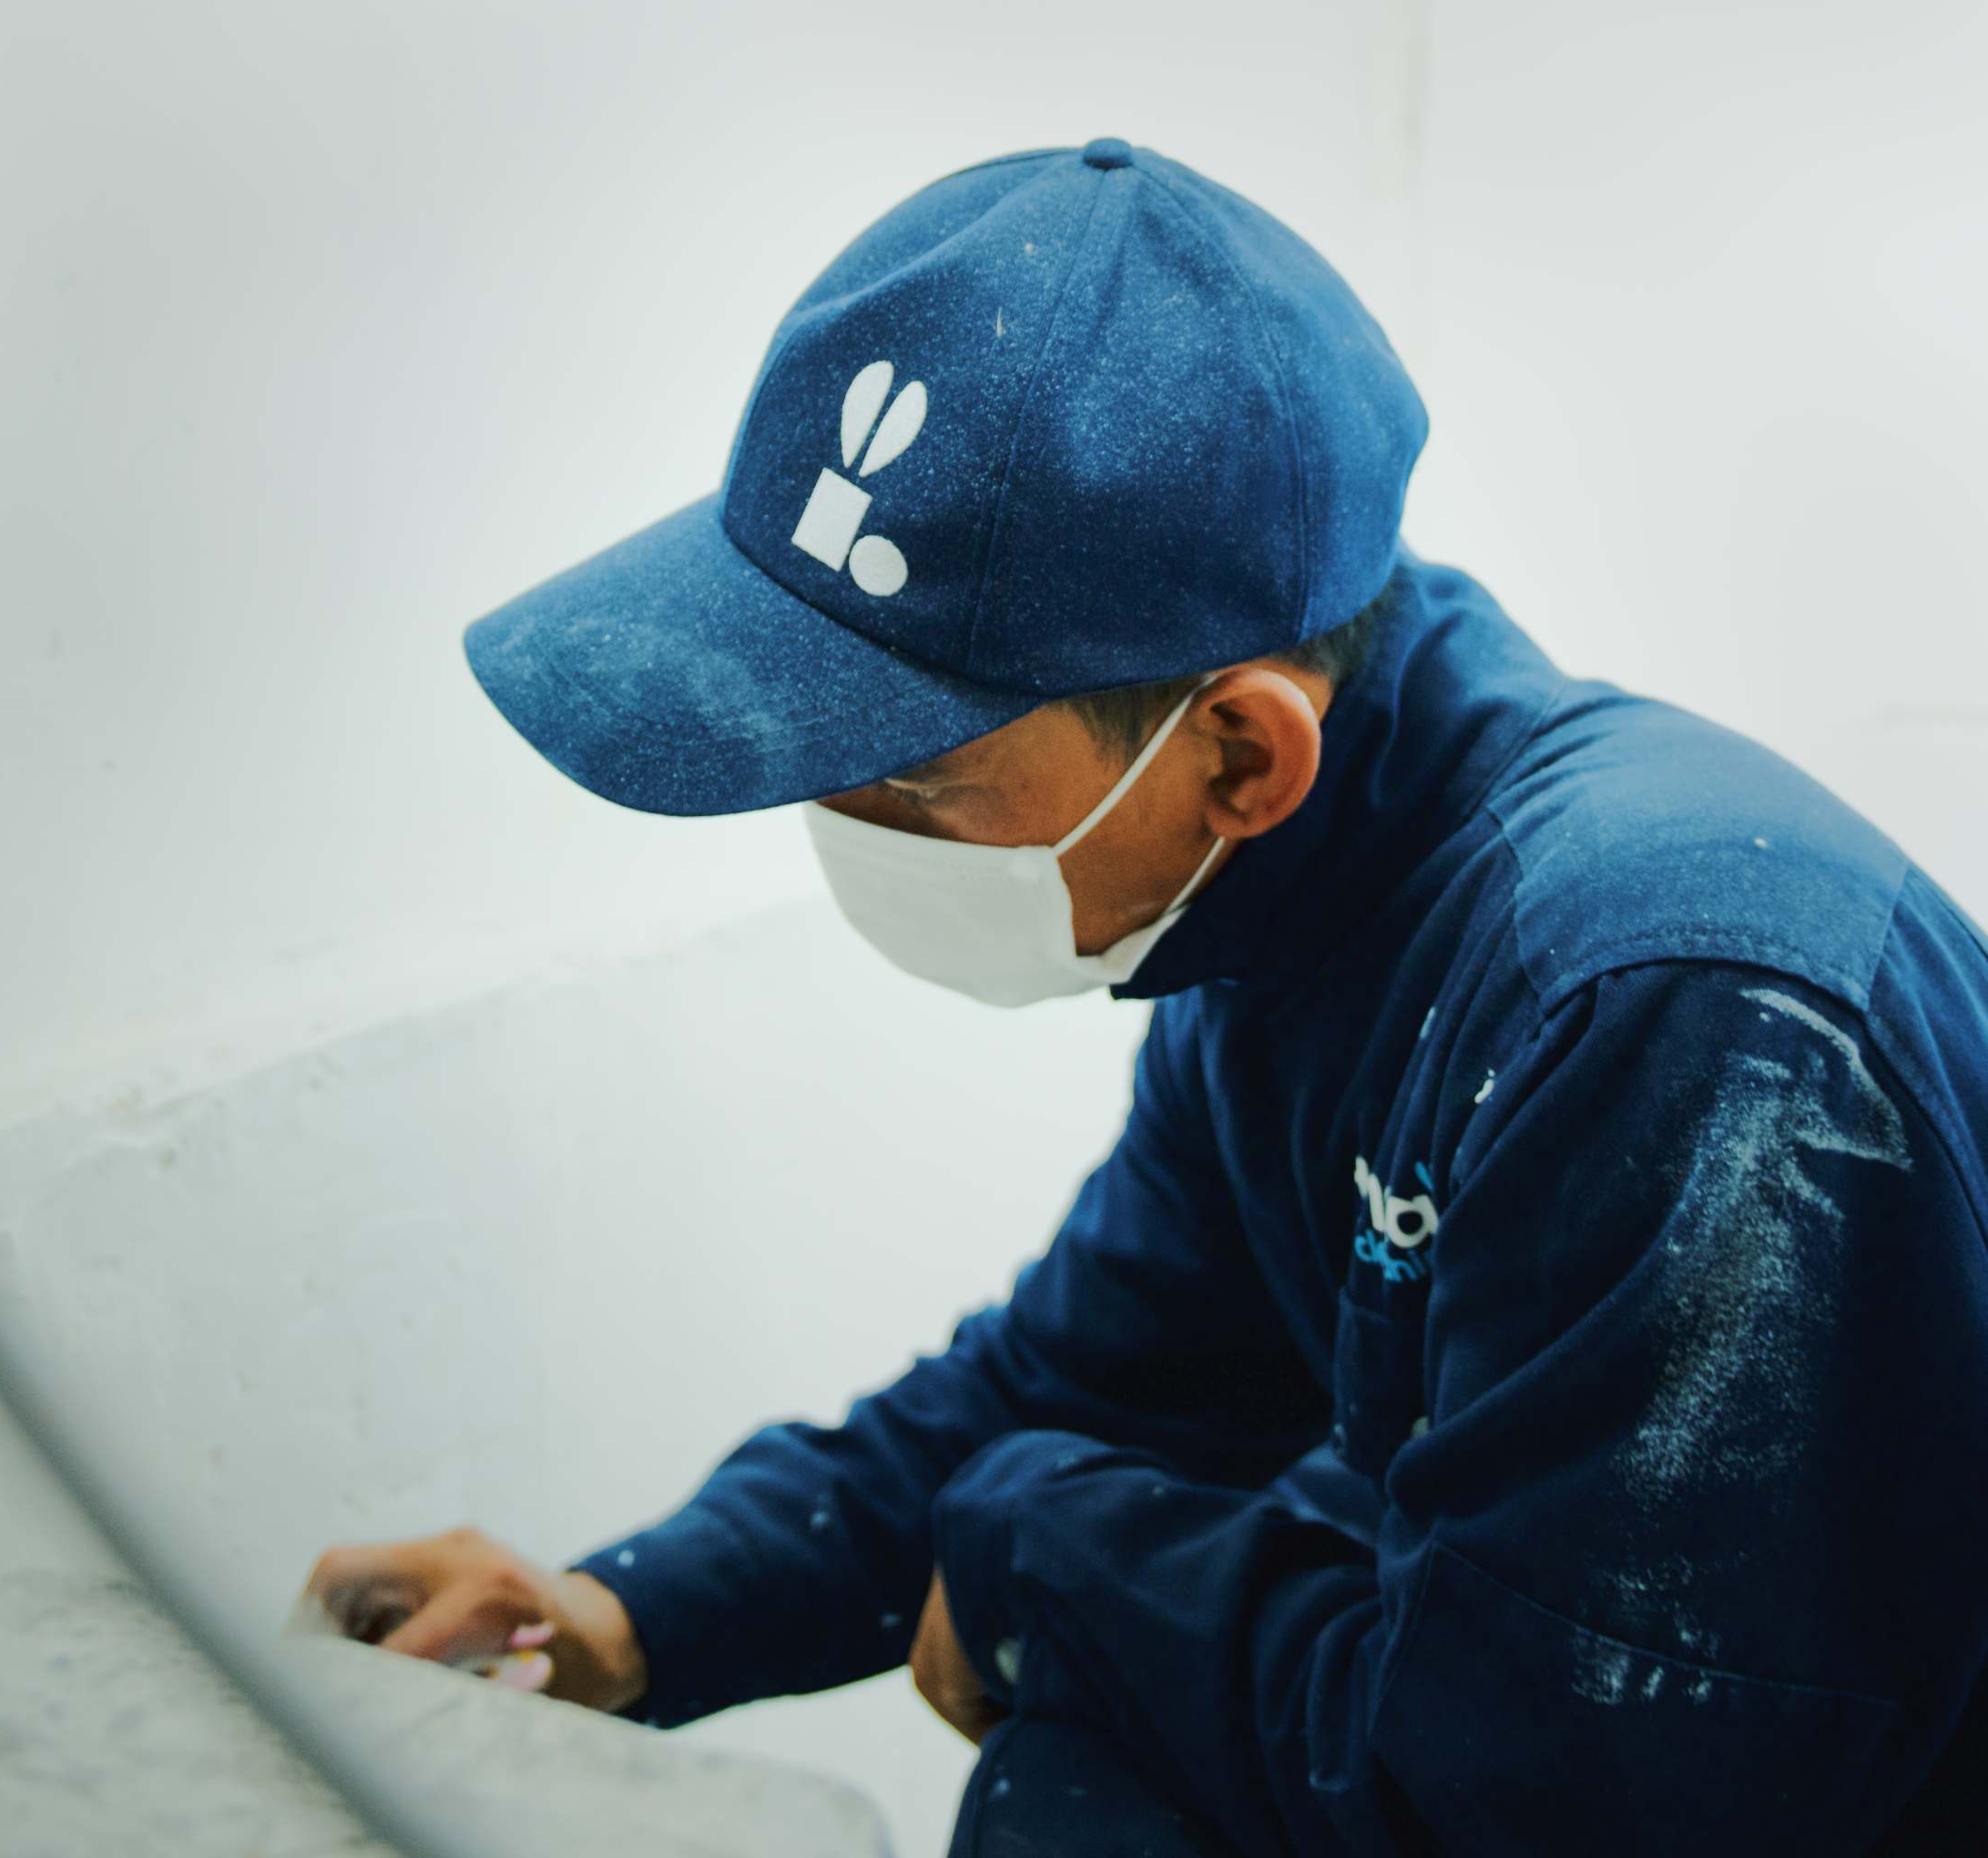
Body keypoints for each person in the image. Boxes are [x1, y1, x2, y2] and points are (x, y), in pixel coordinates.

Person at [299, 137, 1988, 1854]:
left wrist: (1048, 1558)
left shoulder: (1681, 1026)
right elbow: (1095, 1375)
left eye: (919, 779)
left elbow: (1562, 1796)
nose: (841, 825)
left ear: (1242, 750)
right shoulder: (1283, 917)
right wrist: (629, 1614)